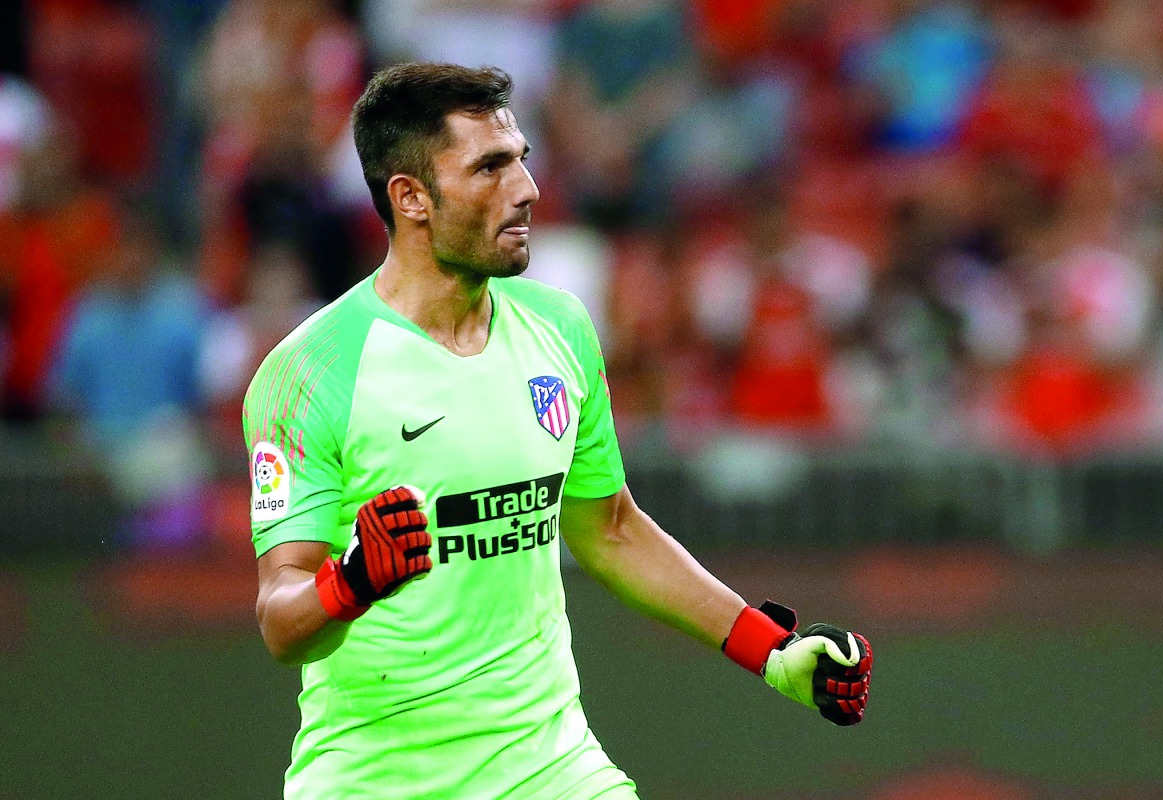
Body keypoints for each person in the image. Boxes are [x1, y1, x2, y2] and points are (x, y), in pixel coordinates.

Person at [245, 62, 872, 800]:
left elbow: (610, 530)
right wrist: (349, 584)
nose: (527, 189)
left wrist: (772, 652)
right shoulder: (310, 373)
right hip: (375, 781)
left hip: (551, 769)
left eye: (522, 160)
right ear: (410, 197)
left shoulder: (559, 327)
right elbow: (282, 622)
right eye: (490, 167)